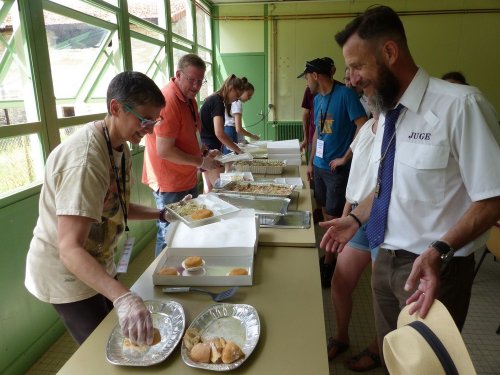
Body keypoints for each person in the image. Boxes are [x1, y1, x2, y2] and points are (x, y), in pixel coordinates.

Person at [321, 5, 500, 366]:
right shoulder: (388, 111)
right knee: (395, 359)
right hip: (384, 257)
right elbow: (386, 186)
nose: (350, 78)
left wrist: (438, 251)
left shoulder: (460, 105)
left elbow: (492, 198)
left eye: (357, 66)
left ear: (389, 52)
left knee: (426, 365)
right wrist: (355, 219)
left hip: (434, 267)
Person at [25, 71, 171, 346]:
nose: (150, 128)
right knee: (102, 347)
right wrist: (123, 296)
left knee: (120, 333)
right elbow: (69, 248)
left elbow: (117, 205)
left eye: (154, 120)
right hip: (67, 270)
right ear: (115, 108)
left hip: (97, 257)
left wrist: (163, 213)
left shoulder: (118, 145)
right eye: (144, 119)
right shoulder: (85, 161)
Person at [142, 53, 220, 257]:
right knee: (170, 234)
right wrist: (201, 161)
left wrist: (202, 150)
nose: (196, 86)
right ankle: (162, 280)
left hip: (185, 177)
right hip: (169, 182)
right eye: (192, 80)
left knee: (186, 230)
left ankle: (180, 275)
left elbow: (190, 134)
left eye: (200, 82)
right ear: (178, 74)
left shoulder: (189, 99)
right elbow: (165, 150)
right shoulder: (168, 101)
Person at [326, 110, 381, 371]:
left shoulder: (398, 127)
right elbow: (356, 176)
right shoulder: (368, 125)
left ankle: (378, 347)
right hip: (358, 215)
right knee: (341, 281)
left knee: (380, 291)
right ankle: (341, 336)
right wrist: (346, 215)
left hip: (386, 218)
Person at [301, 57, 367, 269]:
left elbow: (363, 126)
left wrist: (346, 157)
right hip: (319, 166)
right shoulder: (318, 99)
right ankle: (329, 254)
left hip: (336, 168)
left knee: (334, 214)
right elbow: (316, 134)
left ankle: (331, 261)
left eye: (306, 79)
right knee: (324, 210)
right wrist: (310, 162)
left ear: (315, 76)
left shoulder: (346, 95)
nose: (306, 84)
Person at [200, 74, 244, 192]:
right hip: (209, 147)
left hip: (205, 145)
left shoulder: (214, 99)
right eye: (237, 95)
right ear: (230, 88)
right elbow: (219, 132)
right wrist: (238, 150)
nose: (236, 99)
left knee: (209, 188)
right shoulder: (217, 102)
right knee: (219, 190)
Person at [223, 77, 259, 154]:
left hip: (227, 131)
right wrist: (252, 136)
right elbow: (238, 129)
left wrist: (244, 141)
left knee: (228, 161)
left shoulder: (232, 101)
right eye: (248, 95)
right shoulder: (237, 103)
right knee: (232, 161)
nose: (249, 98)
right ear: (242, 91)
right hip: (230, 132)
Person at [299, 86, 316, 156]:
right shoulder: (309, 90)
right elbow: (306, 114)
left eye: (307, 78)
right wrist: (306, 138)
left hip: (328, 140)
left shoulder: (339, 89)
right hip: (313, 137)